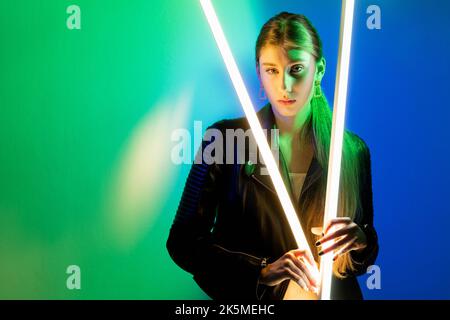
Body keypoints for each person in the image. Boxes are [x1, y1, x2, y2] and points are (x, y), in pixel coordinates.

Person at [166, 12, 378, 300]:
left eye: (296, 69)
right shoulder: (224, 140)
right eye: (272, 70)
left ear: (319, 70)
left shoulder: (352, 151)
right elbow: (182, 242)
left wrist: (361, 241)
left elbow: (356, 263)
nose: (285, 86)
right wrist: (261, 271)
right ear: (259, 73)